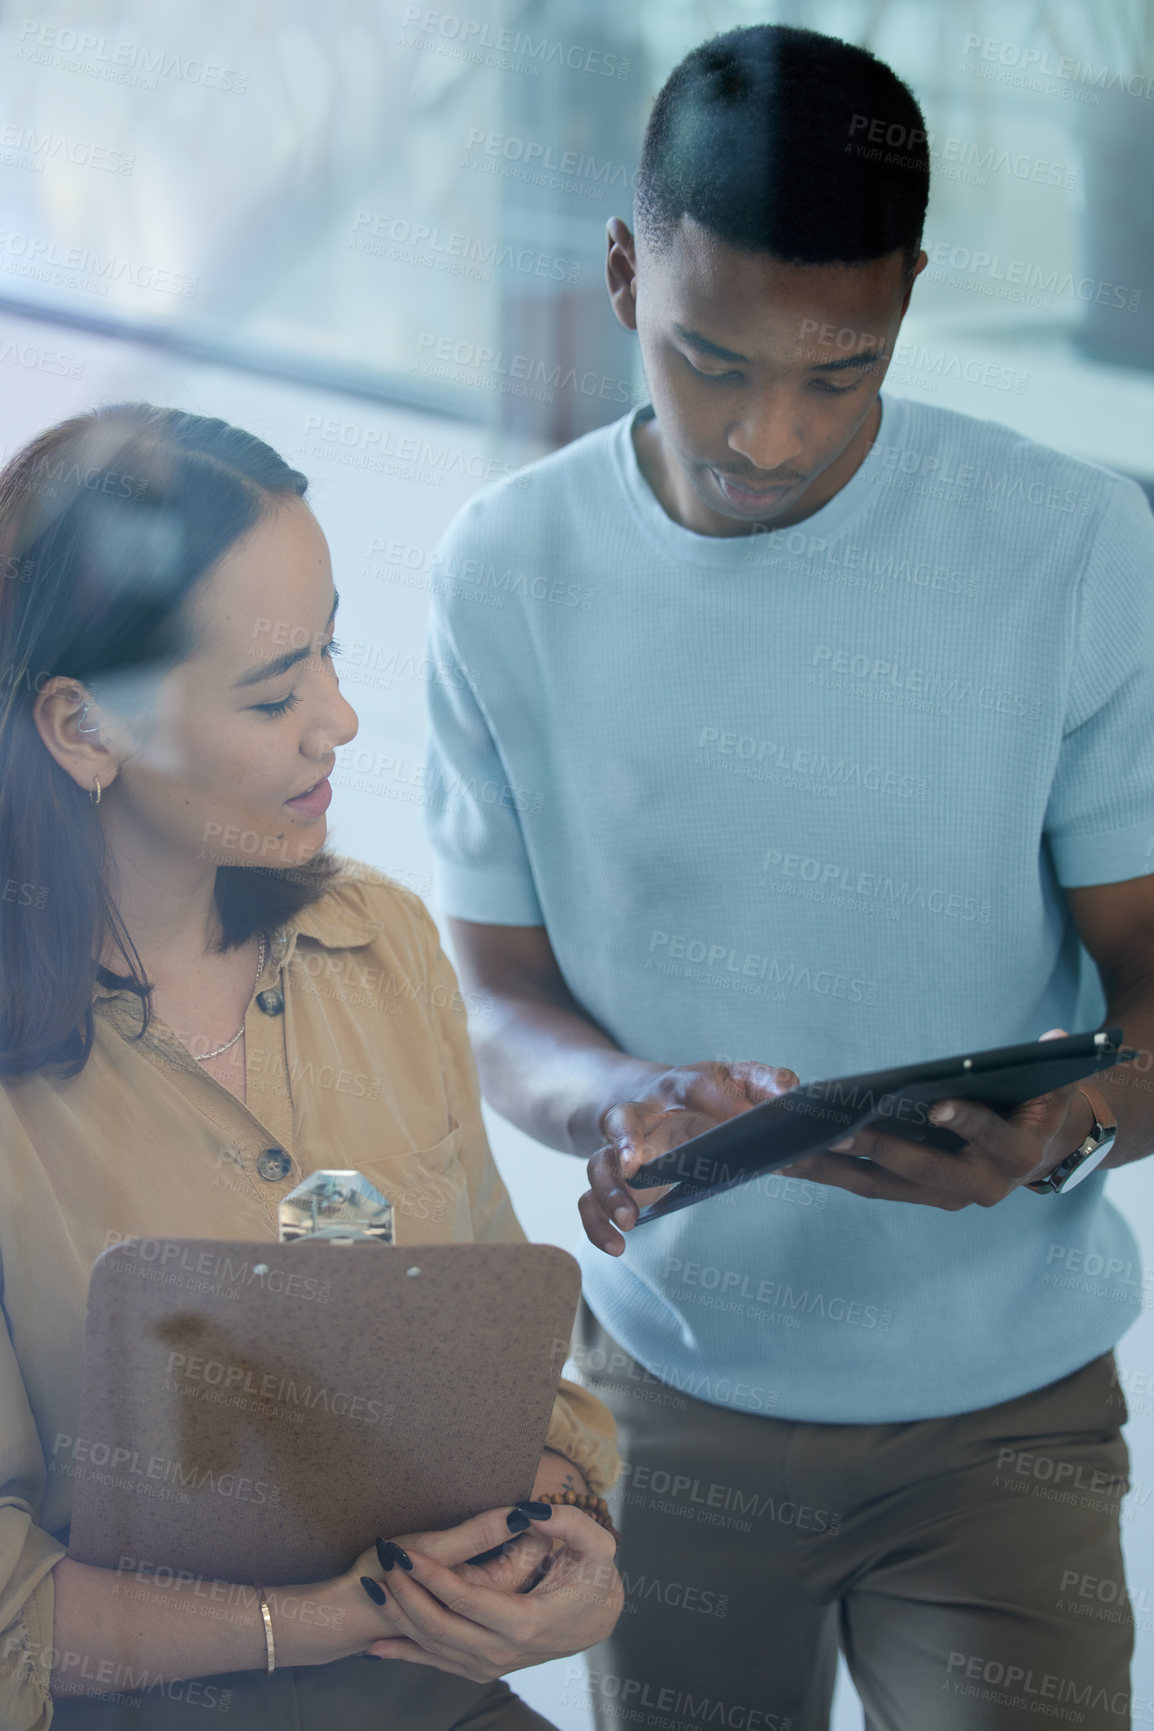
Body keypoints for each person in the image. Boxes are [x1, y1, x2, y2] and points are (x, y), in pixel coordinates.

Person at [422, 22, 1154, 1731]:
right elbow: (498, 1002)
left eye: (842, 373)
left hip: (1009, 1418)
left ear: (904, 292)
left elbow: (1152, 975)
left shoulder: (1073, 545)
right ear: (621, 272)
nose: (768, 436)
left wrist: (1090, 1120)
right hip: (666, 1400)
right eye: (711, 360)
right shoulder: (504, 570)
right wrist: (616, 1098)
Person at [0, 402, 623, 1730]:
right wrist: (327, 1621)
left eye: (329, 648)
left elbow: (515, 1382)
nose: (338, 719)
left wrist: (564, 1537)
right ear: (80, 727)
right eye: (273, 692)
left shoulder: (381, 944)